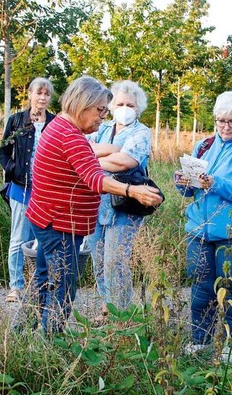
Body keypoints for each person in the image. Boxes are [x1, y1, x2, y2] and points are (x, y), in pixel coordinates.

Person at [26, 75, 162, 334]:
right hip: (60, 224)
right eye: (100, 110)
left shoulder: (62, 128)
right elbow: (94, 177)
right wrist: (132, 190)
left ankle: (26, 332)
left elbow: (98, 160)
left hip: (49, 219)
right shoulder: (70, 136)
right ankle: (50, 341)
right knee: (62, 287)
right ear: (82, 104)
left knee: (44, 280)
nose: (103, 116)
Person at [176, 90, 232, 361]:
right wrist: (182, 183)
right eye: (220, 121)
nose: (226, 127)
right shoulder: (203, 146)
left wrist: (217, 182)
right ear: (214, 119)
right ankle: (199, 340)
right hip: (199, 229)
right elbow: (190, 193)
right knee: (201, 285)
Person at [87, 80, 151, 320]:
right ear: (111, 106)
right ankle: (107, 307)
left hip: (126, 205)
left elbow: (126, 162)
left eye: (130, 104)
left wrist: (92, 157)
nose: (125, 108)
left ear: (138, 108)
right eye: (120, 103)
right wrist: (111, 150)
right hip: (98, 203)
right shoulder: (104, 129)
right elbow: (85, 147)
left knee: (116, 261)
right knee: (99, 259)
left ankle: (121, 314)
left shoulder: (141, 132)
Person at [0, 78, 55, 302]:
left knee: (39, 239)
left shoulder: (54, 122)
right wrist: (12, 169)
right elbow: (3, 151)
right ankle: (15, 285)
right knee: (18, 238)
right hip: (21, 188)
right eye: (38, 93)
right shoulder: (17, 121)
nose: (42, 98)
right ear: (30, 94)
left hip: (45, 190)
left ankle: (36, 283)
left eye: (47, 94)